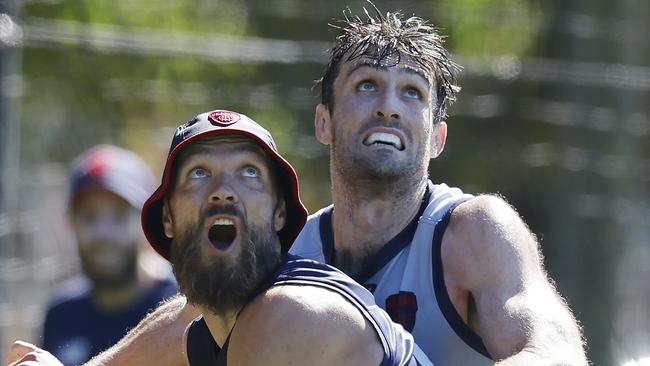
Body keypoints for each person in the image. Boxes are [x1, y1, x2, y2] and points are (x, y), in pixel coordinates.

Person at [7, 3, 589, 366]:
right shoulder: (289, 248)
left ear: (436, 137)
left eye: (411, 93)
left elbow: (555, 351)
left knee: (292, 317)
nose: (389, 106)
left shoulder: (473, 230)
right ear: (324, 122)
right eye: (365, 85)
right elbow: (186, 321)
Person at [9, 110, 432, 366]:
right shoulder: (216, 318)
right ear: (169, 218)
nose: (223, 189)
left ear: (279, 212)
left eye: (249, 172)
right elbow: (176, 326)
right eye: (199, 173)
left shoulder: (288, 313)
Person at [40, 145, 178, 365]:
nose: (104, 233)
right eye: (90, 216)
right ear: (70, 223)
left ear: (149, 222)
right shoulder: (61, 314)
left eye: (119, 215)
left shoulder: (182, 308)